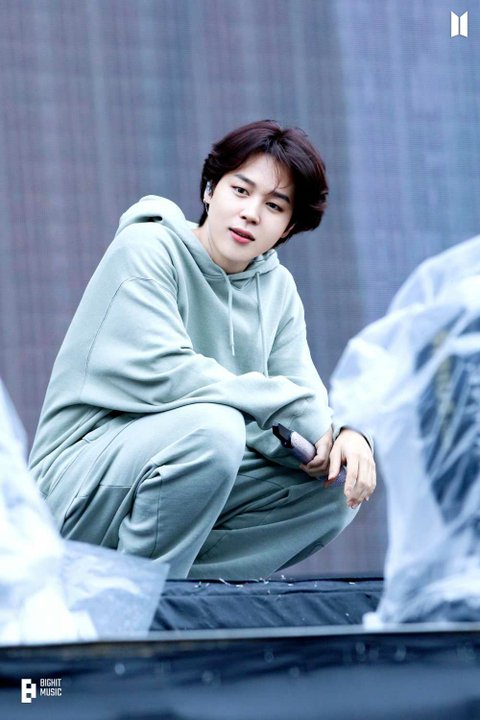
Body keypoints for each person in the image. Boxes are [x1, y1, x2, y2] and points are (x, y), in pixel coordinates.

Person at [29, 119, 376, 579]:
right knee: (214, 431)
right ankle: (138, 602)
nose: (251, 213)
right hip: (74, 490)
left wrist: (347, 435)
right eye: (240, 190)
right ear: (211, 191)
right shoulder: (147, 247)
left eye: (274, 205)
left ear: (288, 227)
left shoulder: (277, 289)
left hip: (178, 497)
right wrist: (285, 409)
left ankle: (167, 590)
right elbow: (163, 373)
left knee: (333, 488)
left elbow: (302, 401)